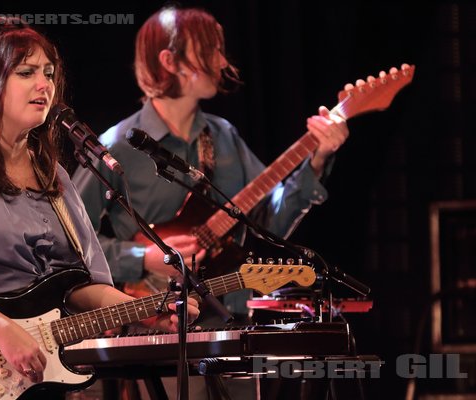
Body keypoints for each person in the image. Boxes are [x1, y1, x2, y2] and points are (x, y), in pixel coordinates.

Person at [0, 16, 198, 400]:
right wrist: (0, 329)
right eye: (26, 72)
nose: (44, 85)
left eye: (49, 73)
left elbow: (79, 287)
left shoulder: (55, 177)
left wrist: (144, 309)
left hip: (38, 374)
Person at [72, 6, 349, 399]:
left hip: (230, 322)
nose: (222, 61)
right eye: (211, 50)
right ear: (170, 61)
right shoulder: (118, 145)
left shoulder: (224, 137)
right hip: (153, 328)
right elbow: (71, 241)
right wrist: (141, 257)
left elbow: (268, 225)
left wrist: (317, 159)